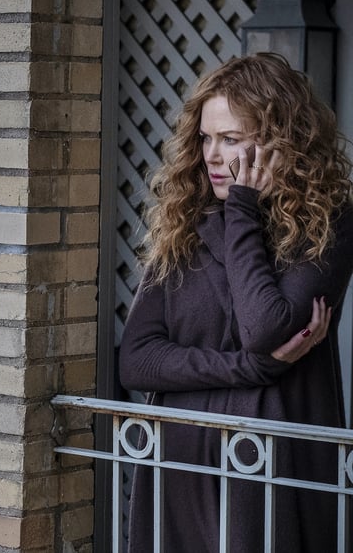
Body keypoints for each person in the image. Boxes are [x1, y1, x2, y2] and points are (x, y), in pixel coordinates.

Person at [118, 53, 353, 552]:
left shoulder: (327, 223)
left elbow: (265, 327)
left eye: (231, 138)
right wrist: (250, 369)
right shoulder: (187, 221)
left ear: (280, 140)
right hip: (180, 469)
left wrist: (242, 209)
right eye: (206, 138)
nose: (212, 155)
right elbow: (137, 360)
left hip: (270, 468)